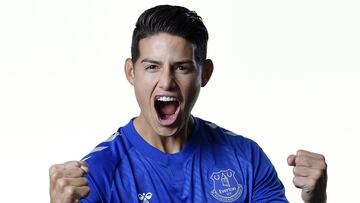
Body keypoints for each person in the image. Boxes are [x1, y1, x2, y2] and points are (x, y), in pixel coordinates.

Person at [49, 5, 327, 203]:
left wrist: (316, 201)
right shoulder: (97, 172)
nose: (166, 82)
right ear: (131, 72)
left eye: (181, 67)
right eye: (152, 67)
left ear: (204, 73)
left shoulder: (246, 158)